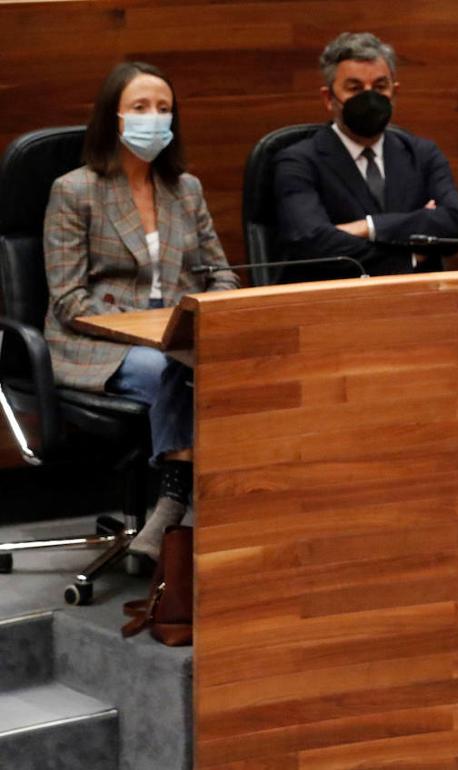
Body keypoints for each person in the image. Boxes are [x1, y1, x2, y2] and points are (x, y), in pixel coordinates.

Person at [44, 61, 240, 559]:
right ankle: (180, 506)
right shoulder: (75, 190)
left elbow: (221, 273)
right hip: (96, 342)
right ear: (114, 118)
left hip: (177, 337)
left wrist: (208, 313)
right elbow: (69, 301)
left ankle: (182, 501)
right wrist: (154, 334)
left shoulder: (185, 189)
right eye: (140, 108)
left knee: (226, 369)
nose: (153, 117)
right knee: (174, 366)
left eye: (163, 108)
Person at [274, 32, 458, 282]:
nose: (369, 99)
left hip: (417, 304)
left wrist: (368, 227)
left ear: (395, 93)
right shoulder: (298, 161)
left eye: (380, 87)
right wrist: (410, 252)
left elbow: (455, 224)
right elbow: (313, 243)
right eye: (355, 88)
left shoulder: (422, 154)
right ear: (328, 98)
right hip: (334, 304)